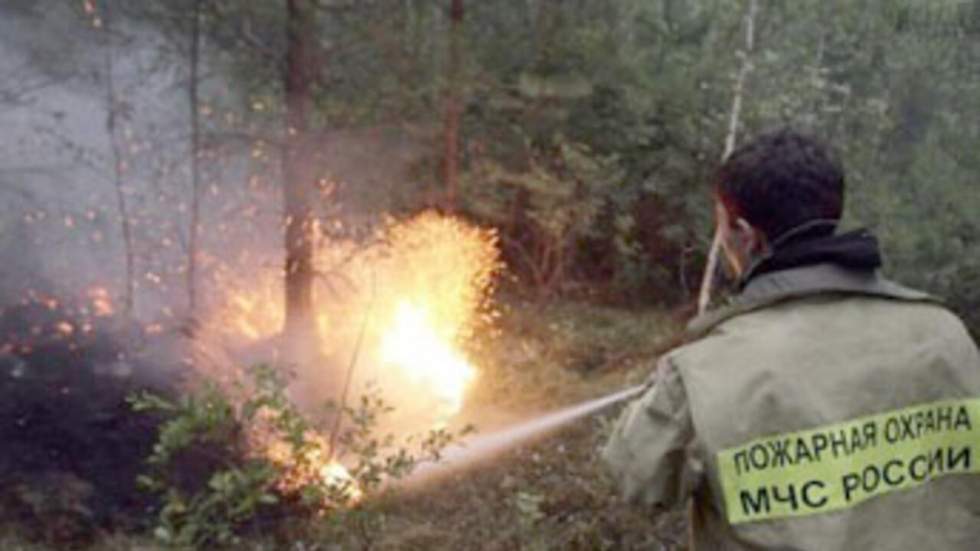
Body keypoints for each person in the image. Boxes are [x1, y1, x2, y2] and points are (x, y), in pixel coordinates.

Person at [602, 128, 980, 550]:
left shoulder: (704, 372)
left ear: (744, 233)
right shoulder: (944, 332)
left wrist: (664, 393)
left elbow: (637, 478)